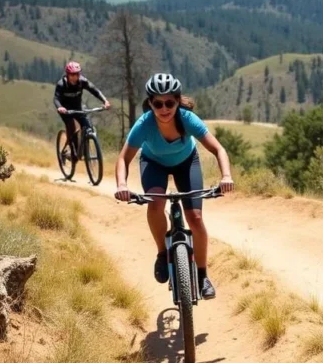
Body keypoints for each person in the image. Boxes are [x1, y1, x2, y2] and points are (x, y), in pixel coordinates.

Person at [113, 73, 234, 300]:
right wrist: (122, 184)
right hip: (153, 164)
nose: (164, 108)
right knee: (155, 203)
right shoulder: (144, 125)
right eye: (158, 103)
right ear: (150, 103)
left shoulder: (187, 119)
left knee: (195, 218)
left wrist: (226, 176)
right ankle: (161, 252)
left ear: (178, 101)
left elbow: (219, 150)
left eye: (170, 102)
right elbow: (123, 159)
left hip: (186, 162)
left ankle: (202, 276)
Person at [54, 61, 110, 155]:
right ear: (67, 74)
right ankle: (69, 151)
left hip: (78, 108)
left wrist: (105, 101)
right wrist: (60, 107)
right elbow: (56, 98)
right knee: (72, 128)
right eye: (72, 74)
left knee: (87, 127)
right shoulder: (61, 84)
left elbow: (94, 90)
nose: (74, 77)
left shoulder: (82, 81)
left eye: (76, 74)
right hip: (65, 111)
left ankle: (84, 148)